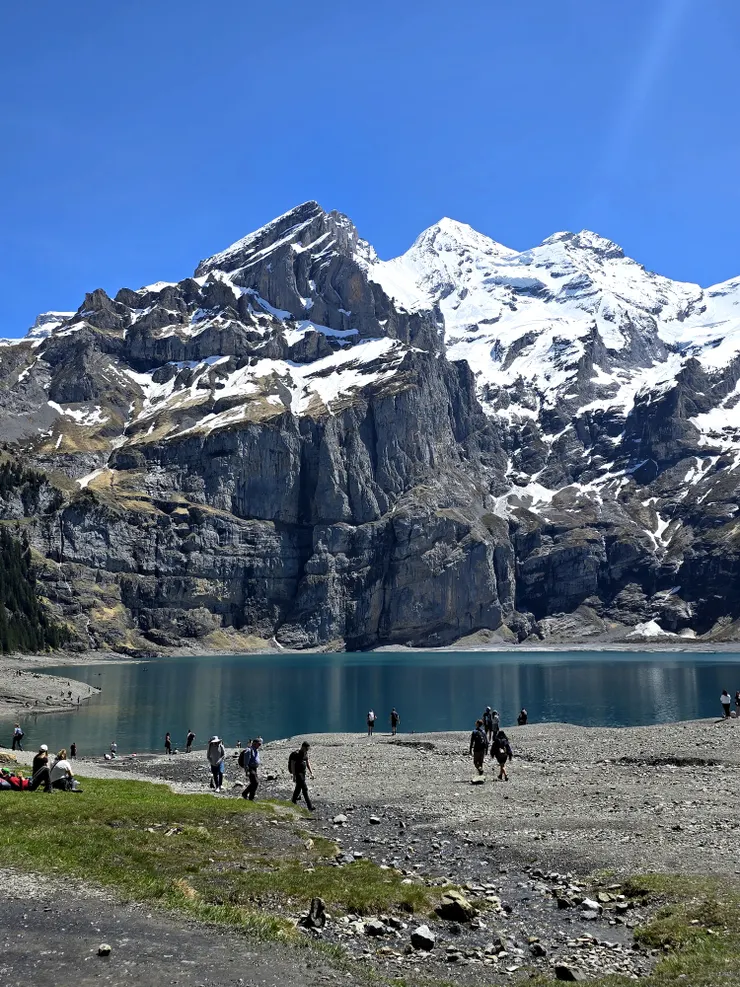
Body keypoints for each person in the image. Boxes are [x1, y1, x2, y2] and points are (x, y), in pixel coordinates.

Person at [288, 741, 314, 810]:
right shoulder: (295, 754)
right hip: (298, 773)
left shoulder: (305, 753)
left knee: (298, 788)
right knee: (305, 789)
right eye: (306, 749)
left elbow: (307, 762)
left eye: (308, 749)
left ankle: (293, 801)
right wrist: (294, 775)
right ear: (303, 747)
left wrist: (311, 772)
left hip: (303, 773)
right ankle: (310, 806)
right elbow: (292, 765)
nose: (307, 750)